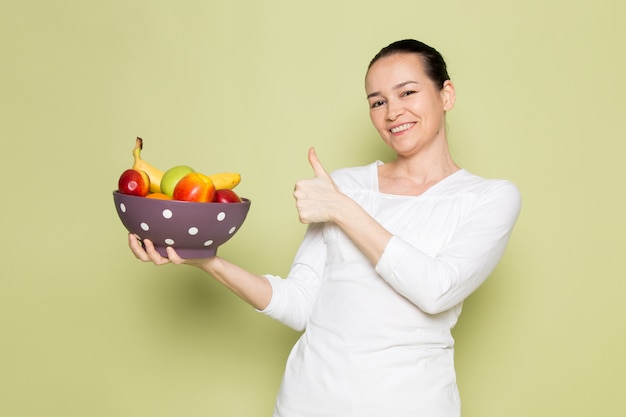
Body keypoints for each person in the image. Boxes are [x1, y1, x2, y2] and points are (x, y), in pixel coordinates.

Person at [129, 39, 521, 417]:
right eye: (378, 102)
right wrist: (208, 261)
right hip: (307, 403)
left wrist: (341, 209)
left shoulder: (488, 198)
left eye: (408, 93)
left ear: (446, 95)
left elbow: (436, 290)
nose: (392, 112)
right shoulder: (345, 185)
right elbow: (300, 304)